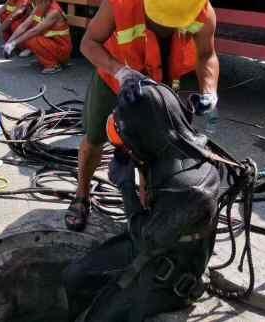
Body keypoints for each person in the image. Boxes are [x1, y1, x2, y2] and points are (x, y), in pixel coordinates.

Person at [65, 0, 219, 231]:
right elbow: (88, 43)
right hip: (114, 79)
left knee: (155, 149)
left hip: (161, 86)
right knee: (95, 139)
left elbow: (206, 55)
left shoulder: (199, 10)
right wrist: (121, 72)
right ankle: (82, 195)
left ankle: (148, 207)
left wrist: (210, 92)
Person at [63, 76, 221, 321]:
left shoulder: (188, 186)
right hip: (157, 241)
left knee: (99, 317)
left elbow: (145, 237)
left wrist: (126, 184)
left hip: (170, 275)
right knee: (75, 277)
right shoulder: (172, 148)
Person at [3, 0, 72, 74]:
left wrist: (14, 43)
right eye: (40, 1)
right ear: (33, 0)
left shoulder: (54, 12)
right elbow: (23, 26)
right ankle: (48, 60)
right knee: (27, 36)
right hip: (53, 45)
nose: (43, 3)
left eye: (45, 0)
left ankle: (53, 65)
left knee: (31, 38)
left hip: (62, 49)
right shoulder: (37, 7)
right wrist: (9, 42)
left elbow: (35, 31)